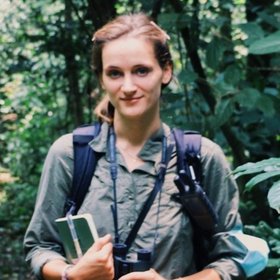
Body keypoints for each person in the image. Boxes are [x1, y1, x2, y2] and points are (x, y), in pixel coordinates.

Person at [24, 13, 249, 280]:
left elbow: (234, 257)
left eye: (141, 70)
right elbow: (40, 247)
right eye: (115, 73)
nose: (128, 86)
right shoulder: (71, 154)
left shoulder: (200, 157)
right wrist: (71, 274)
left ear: (166, 71)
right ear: (101, 79)